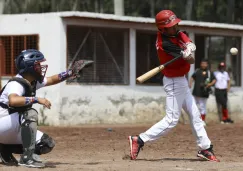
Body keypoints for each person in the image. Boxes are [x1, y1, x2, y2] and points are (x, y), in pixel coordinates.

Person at [128, 10, 219, 162]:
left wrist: (189, 44)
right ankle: (140, 140)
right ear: (162, 29)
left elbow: (183, 37)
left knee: (195, 114)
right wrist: (187, 53)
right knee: (171, 120)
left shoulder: (174, 33)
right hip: (174, 82)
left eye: (175, 23)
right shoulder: (165, 44)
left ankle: (205, 148)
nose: (175, 26)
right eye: (171, 25)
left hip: (181, 81)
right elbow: (190, 60)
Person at [0, 49, 87, 168]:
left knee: (46, 143)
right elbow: (13, 100)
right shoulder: (16, 83)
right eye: (38, 64)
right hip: (3, 123)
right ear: (29, 66)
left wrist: (70, 72)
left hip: (11, 126)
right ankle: (27, 158)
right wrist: (36, 99)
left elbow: (51, 79)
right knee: (30, 113)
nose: (41, 67)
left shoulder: (31, 81)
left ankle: (4, 150)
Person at [189, 59, 216, 126]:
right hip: (195, 92)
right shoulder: (197, 71)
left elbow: (214, 80)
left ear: (207, 65)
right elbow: (192, 77)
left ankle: (202, 121)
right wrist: (190, 83)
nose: (203, 65)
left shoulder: (209, 72)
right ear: (200, 64)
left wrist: (209, 84)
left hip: (204, 93)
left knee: (202, 107)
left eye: (205, 63)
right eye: (202, 63)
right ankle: (194, 120)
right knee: (193, 107)